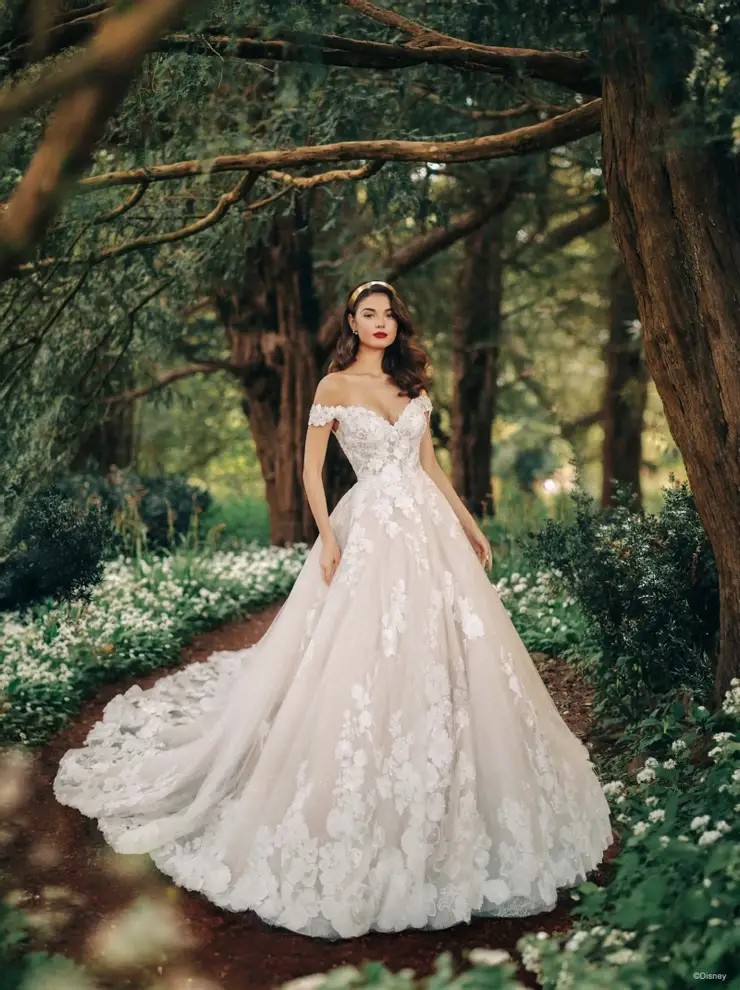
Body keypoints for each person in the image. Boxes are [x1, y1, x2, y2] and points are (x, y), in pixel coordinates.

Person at [54, 279, 613, 941]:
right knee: (362, 650)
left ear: (399, 325)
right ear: (353, 321)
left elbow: (432, 466)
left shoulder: (412, 387)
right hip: (369, 526)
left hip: (428, 529)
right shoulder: (333, 387)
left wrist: (469, 523)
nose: (379, 323)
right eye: (367, 314)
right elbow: (312, 470)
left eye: (388, 315)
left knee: (450, 647)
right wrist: (326, 536)